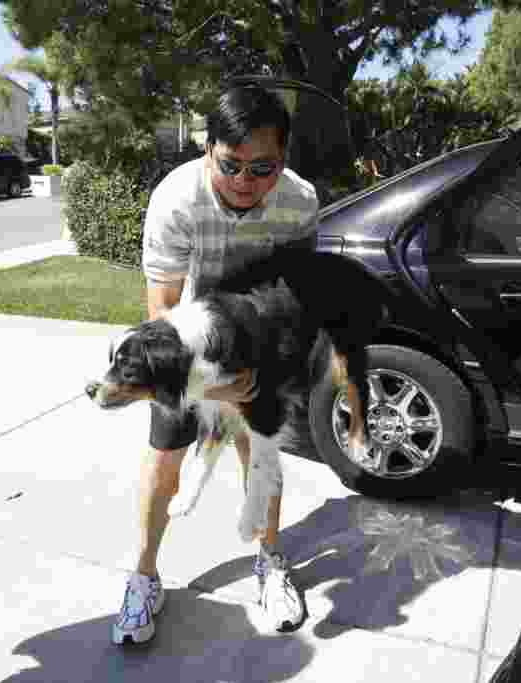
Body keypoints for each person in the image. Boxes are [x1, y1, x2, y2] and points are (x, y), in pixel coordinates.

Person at [113, 83, 365, 645]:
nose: (246, 183)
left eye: (264, 167)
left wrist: (267, 376)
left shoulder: (298, 200)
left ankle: (269, 561)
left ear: (284, 160)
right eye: (231, 166)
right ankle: (145, 573)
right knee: (166, 458)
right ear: (208, 149)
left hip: (259, 348)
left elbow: (296, 290)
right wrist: (220, 390)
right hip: (187, 351)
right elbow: (162, 315)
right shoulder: (175, 200)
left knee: (262, 455)